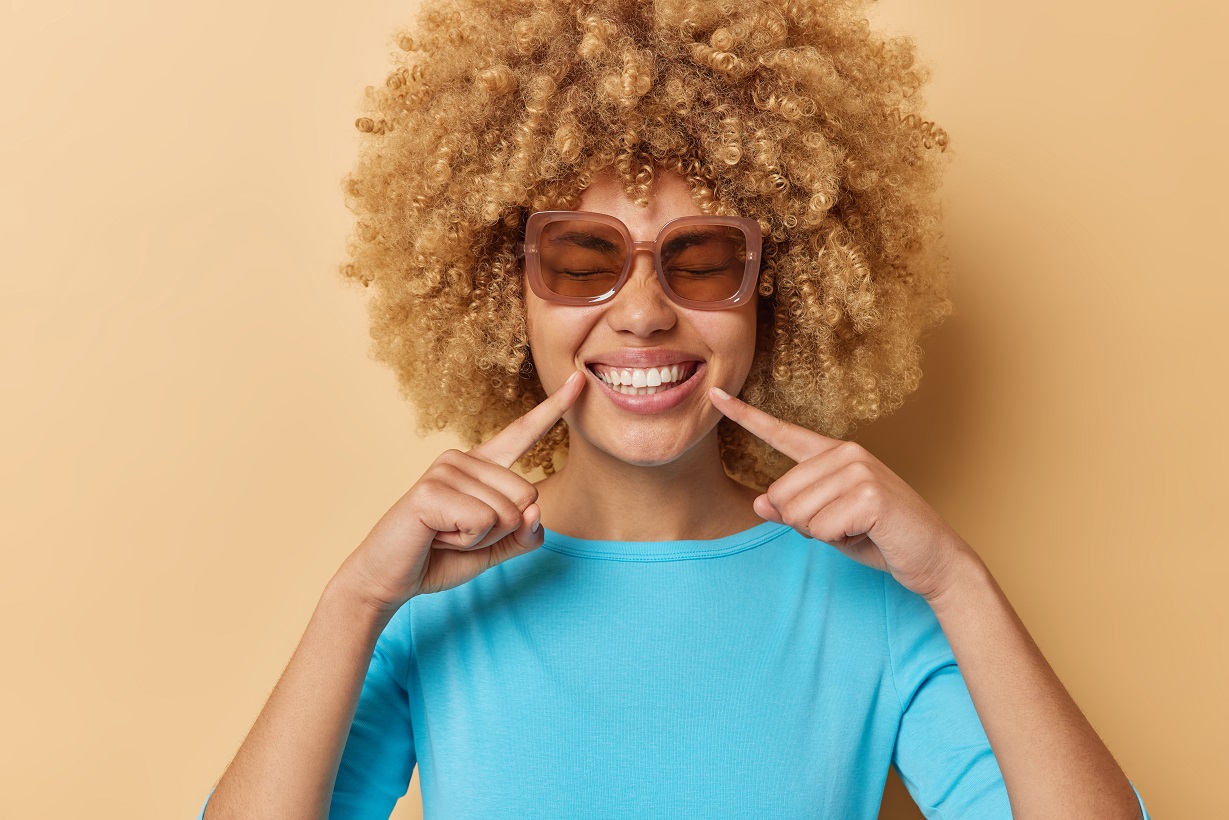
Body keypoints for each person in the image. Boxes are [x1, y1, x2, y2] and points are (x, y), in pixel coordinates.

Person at [197, 1, 1152, 817]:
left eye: (701, 261)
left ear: (777, 290)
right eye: (582, 259)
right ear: (503, 292)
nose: (644, 313)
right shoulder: (427, 601)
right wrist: (356, 601)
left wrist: (954, 580)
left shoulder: (878, 600)